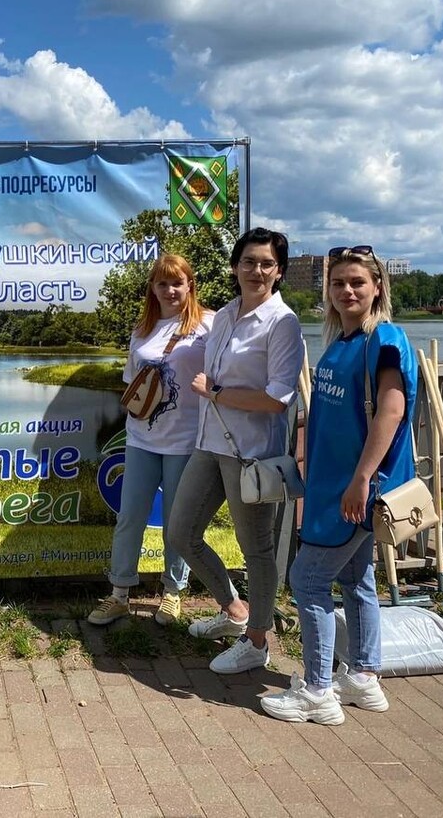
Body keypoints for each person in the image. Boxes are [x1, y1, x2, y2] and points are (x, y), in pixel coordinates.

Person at [261, 245, 416, 724]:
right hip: (336, 487)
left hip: (358, 489)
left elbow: (391, 412)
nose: (347, 290)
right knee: (355, 578)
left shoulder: (383, 340)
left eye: (357, 283)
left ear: (377, 289)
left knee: (306, 581)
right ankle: (364, 677)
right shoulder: (340, 343)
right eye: (338, 283)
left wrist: (362, 479)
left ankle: (317, 690)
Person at [167, 227, 306, 674]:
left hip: (251, 454)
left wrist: (218, 391)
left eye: (267, 263)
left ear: (279, 271)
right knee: (181, 534)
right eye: (249, 261)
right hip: (209, 444)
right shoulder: (224, 315)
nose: (257, 270)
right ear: (235, 266)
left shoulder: (283, 323)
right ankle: (233, 610)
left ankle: (258, 642)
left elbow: (276, 398)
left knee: (256, 548)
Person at [88, 254, 214, 626]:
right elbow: (131, 381)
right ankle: (119, 594)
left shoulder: (209, 324)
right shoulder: (143, 329)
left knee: (178, 523)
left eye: (177, 283)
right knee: (130, 518)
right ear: (153, 288)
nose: (171, 290)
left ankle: (173, 593)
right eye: (162, 283)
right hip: (142, 439)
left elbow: (228, 370)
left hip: (185, 442)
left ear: (190, 285)